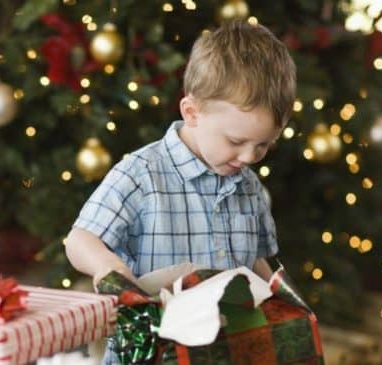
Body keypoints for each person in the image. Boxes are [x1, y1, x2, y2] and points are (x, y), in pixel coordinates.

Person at [65, 19, 296, 364]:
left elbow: (257, 262)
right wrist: (108, 267)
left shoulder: (248, 185)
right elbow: (80, 241)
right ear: (192, 112)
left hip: (229, 350)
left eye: (263, 145)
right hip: (152, 352)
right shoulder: (142, 174)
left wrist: (286, 306)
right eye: (236, 141)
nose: (249, 157)